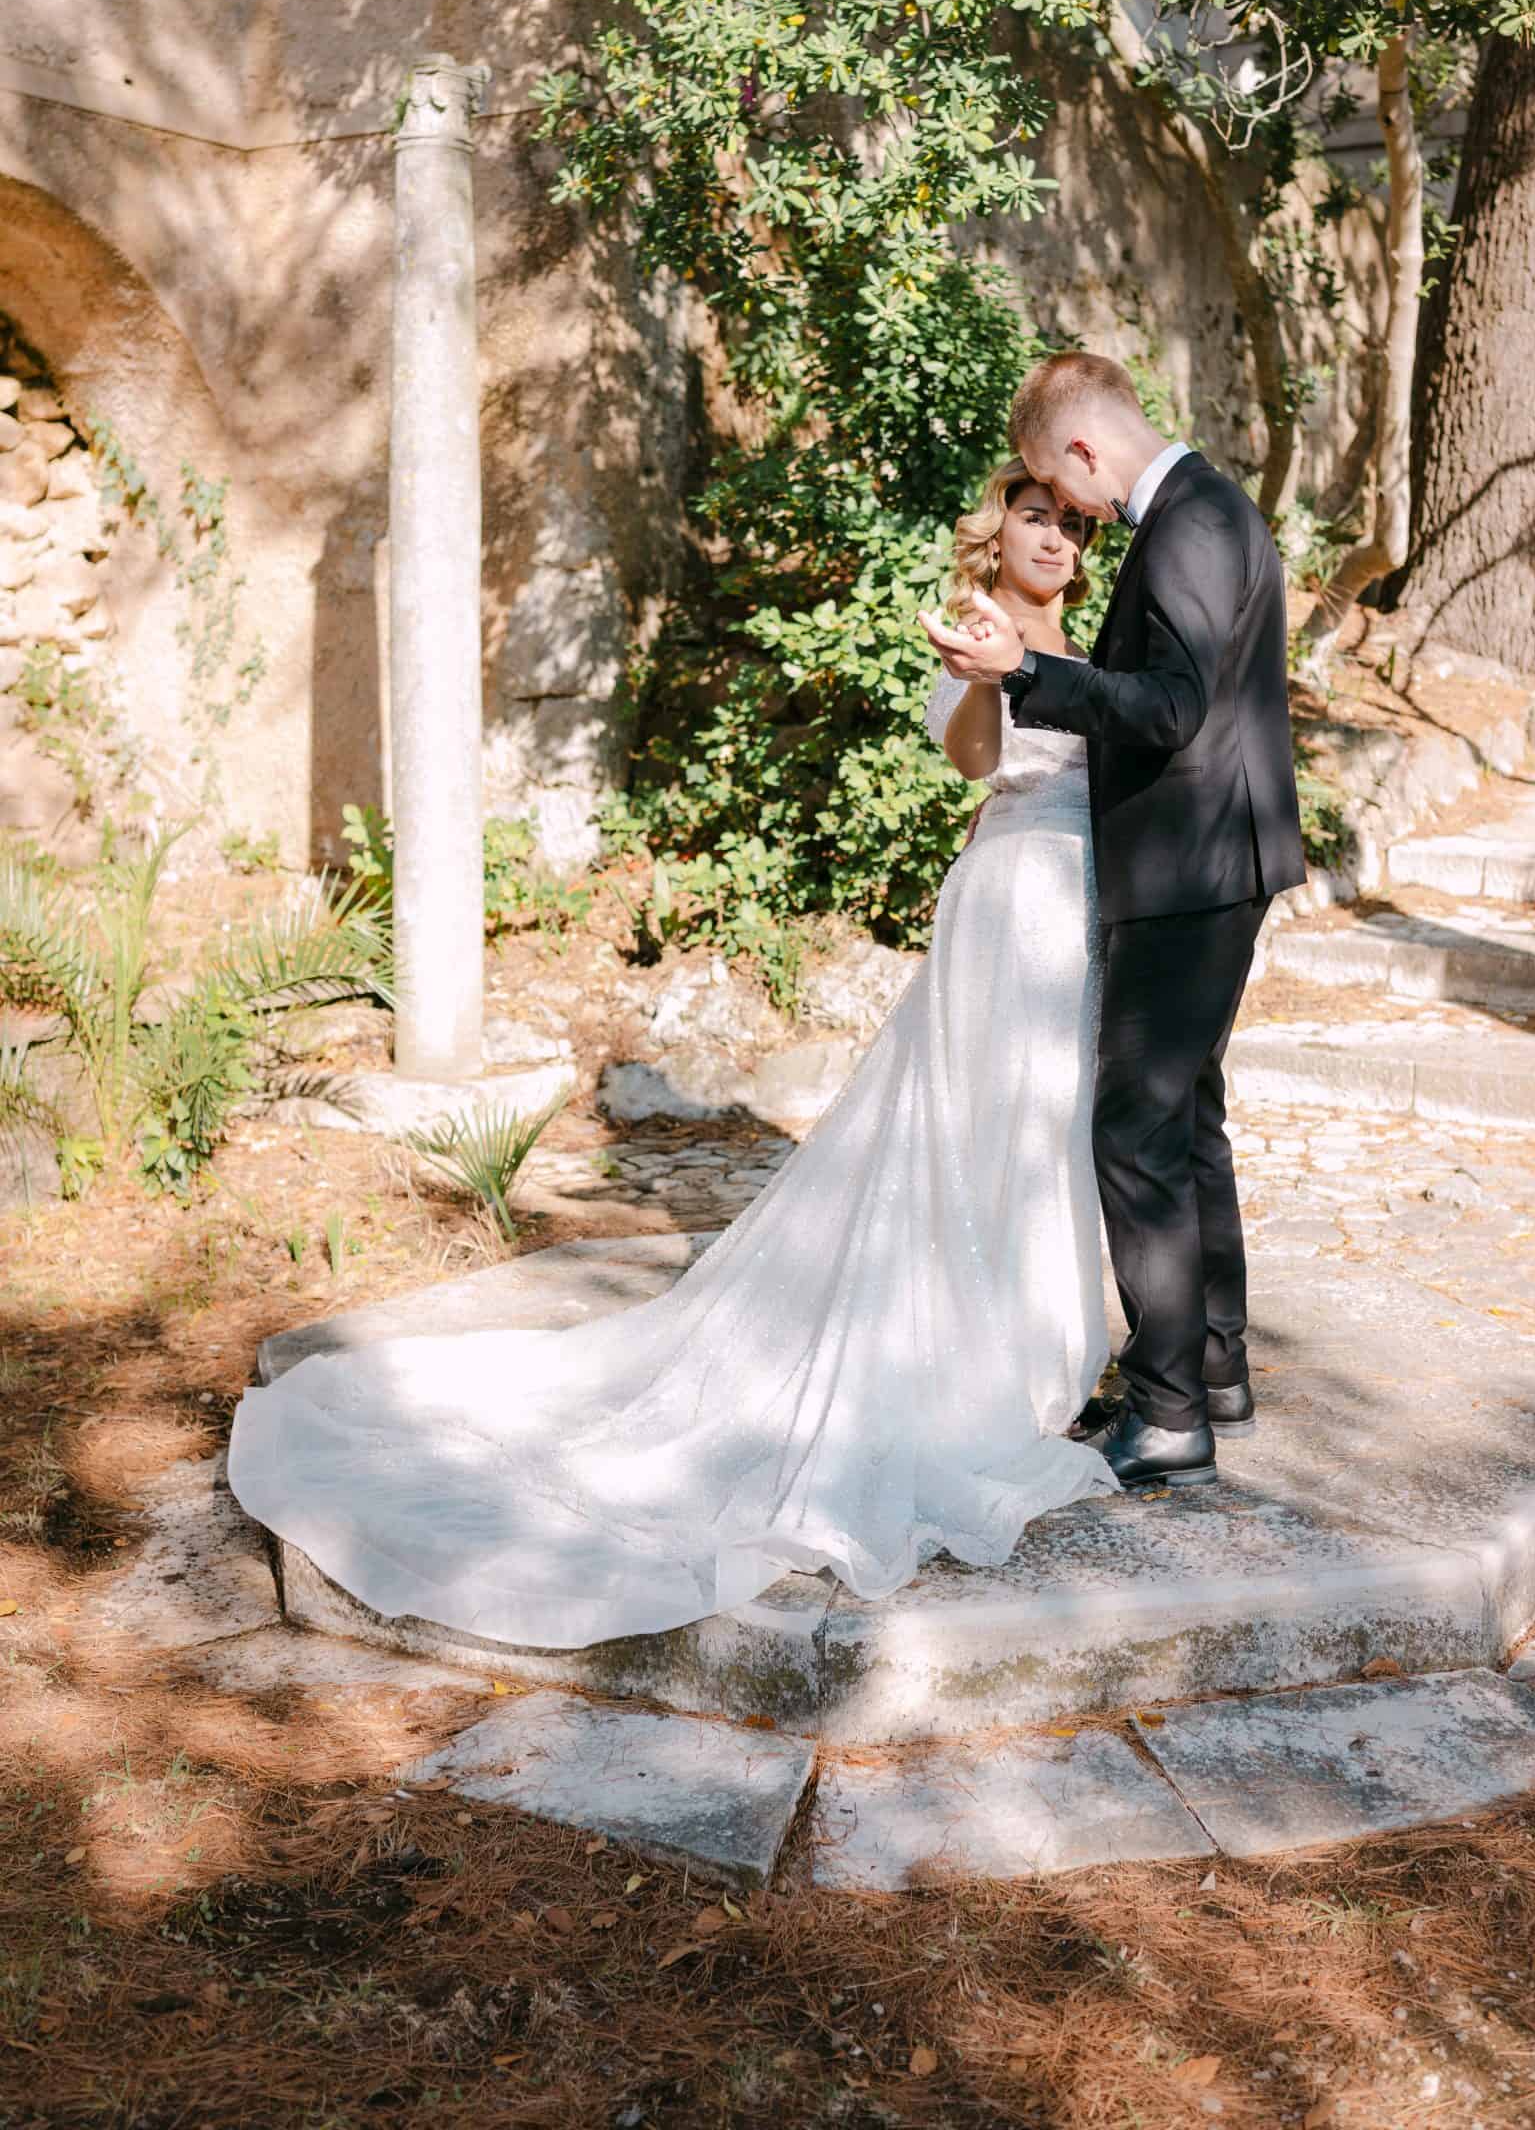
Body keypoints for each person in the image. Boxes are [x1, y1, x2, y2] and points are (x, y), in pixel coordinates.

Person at [225, 457, 1120, 1653]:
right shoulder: (975, 628)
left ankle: (1041, 1348)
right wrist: (981, 677)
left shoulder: (1099, 634)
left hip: (1092, 905)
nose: (1051, 536)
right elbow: (969, 760)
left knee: (1053, 1125)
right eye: (1032, 515)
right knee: (972, 1129)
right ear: (997, 530)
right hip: (1011, 895)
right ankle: (979, 1371)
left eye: (1067, 520)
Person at [920, 350, 1306, 1492]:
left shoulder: (1185, 522)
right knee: (1187, 1116)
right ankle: (1214, 1362)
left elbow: (1174, 709)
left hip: (1189, 865)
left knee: (1135, 1132)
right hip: (1214, 858)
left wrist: (1026, 676)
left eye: (1061, 485)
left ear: (1084, 452)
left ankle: (1172, 1412)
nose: (1070, 515)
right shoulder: (1215, 504)